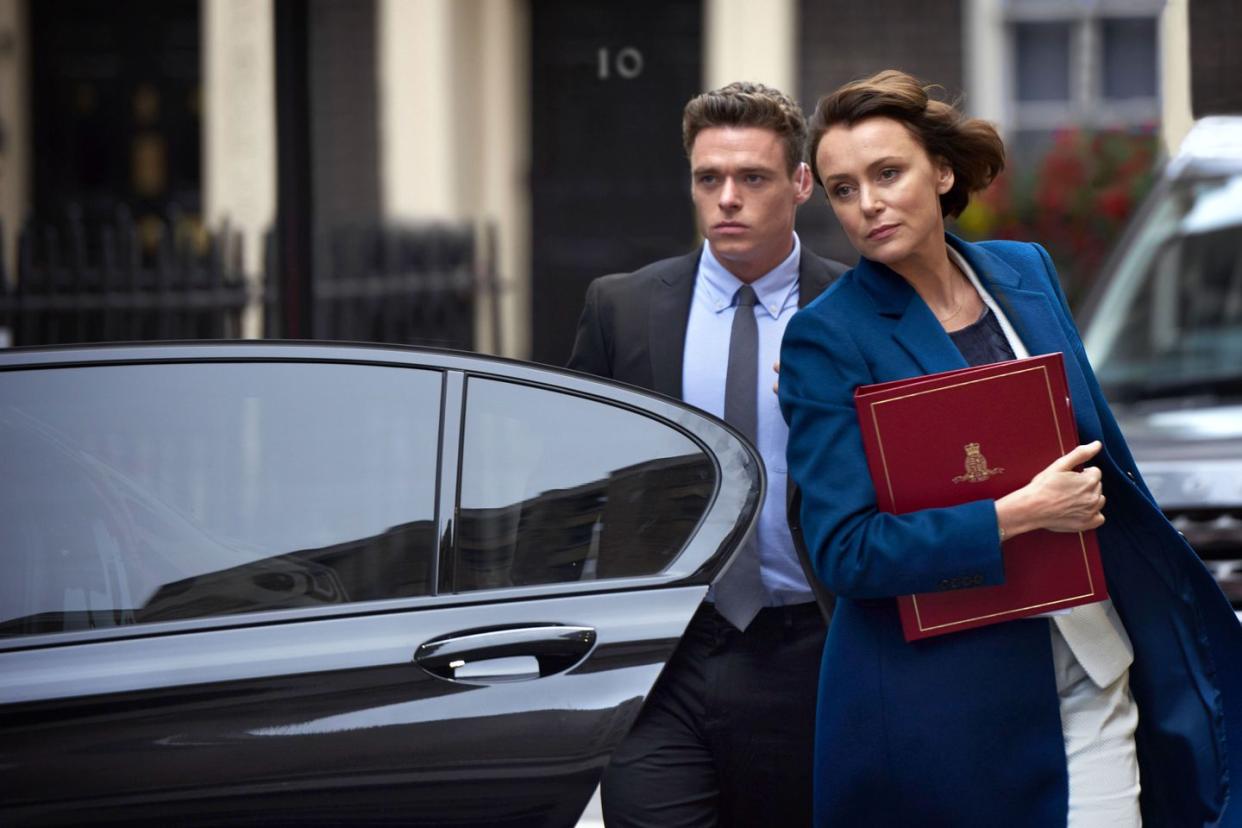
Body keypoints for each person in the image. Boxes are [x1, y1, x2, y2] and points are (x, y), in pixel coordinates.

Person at [778, 69, 1242, 827]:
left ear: (942, 170)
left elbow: (1104, 453)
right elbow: (843, 550)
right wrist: (1011, 515)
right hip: (947, 707)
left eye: (887, 173)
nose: (867, 204)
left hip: (1095, 652)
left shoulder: (1025, 272)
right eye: (841, 188)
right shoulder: (826, 337)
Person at [568, 81, 849, 827]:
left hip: (813, 651)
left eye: (752, 178)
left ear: (799, 184)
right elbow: (570, 484)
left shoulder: (857, 310)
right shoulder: (621, 307)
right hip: (663, 658)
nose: (727, 198)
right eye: (708, 179)